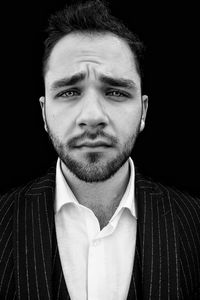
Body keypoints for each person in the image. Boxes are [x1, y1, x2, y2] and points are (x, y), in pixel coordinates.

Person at [0, 0, 199, 299]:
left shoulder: (195, 223)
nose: (92, 116)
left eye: (116, 92)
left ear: (143, 111)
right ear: (43, 113)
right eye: (69, 92)